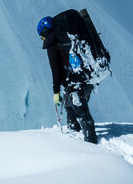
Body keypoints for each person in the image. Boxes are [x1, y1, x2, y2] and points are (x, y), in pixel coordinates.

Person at [37, 9, 106, 144]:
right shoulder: (69, 36)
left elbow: (55, 70)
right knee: (71, 99)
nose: (43, 40)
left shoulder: (52, 44)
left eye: (42, 37)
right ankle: (74, 127)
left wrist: (55, 91)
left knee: (78, 104)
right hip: (89, 70)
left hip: (78, 76)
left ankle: (90, 140)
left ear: (45, 32)